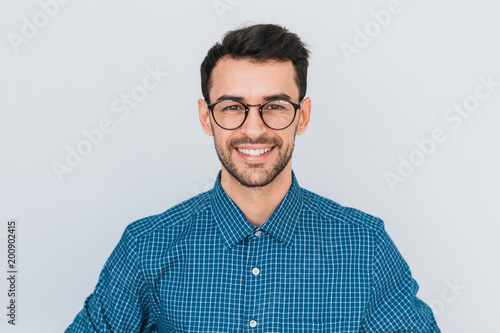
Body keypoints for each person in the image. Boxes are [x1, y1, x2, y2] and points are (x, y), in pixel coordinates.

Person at [66, 23, 440, 332]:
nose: (255, 129)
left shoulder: (364, 246)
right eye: (233, 108)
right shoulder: (146, 247)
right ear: (205, 117)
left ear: (303, 116)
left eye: (274, 107)